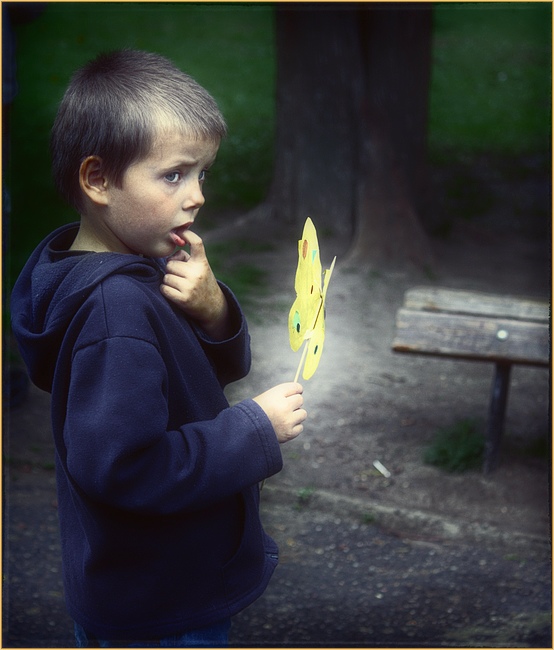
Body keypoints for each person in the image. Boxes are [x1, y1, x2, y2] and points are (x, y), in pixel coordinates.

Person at [10, 49, 307, 647]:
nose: (196, 196)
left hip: (148, 587)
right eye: (174, 175)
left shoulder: (123, 272)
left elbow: (204, 373)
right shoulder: (114, 309)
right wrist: (254, 429)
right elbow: (127, 470)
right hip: (158, 605)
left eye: (202, 174)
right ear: (98, 180)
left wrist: (211, 309)